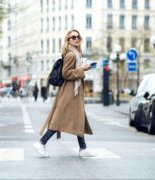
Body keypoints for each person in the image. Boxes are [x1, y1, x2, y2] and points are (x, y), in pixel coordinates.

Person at [33, 29, 94, 158]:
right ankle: (41, 143)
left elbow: (72, 71)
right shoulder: (71, 54)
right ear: (68, 40)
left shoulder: (77, 53)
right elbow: (65, 73)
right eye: (73, 37)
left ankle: (83, 148)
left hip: (74, 91)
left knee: (79, 118)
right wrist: (82, 69)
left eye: (78, 36)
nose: (76, 39)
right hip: (69, 91)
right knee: (60, 119)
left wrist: (82, 68)